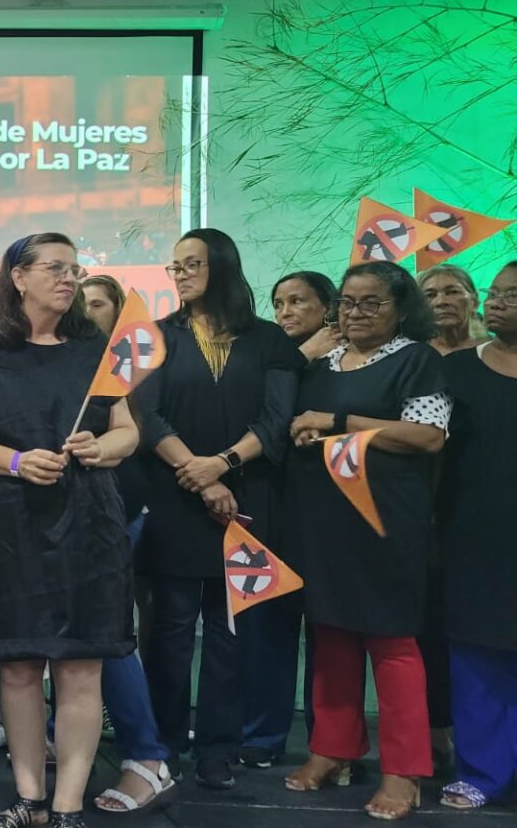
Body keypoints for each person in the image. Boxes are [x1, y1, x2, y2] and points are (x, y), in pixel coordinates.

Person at [0, 233, 139, 828]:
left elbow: (128, 430)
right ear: (18, 277)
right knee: (20, 666)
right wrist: (14, 461)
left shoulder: (95, 349)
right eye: (55, 267)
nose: (68, 278)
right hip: (7, 524)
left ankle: (69, 805)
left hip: (89, 524)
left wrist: (101, 447)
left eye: (74, 268)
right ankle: (28, 799)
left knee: (81, 666)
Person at [136, 229, 302, 788]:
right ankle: (161, 745)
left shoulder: (270, 341)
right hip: (176, 502)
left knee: (232, 635)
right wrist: (200, 475)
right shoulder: (159, 337)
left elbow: (276, 420)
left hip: (249, 502)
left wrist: (223, 464)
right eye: (174, 266)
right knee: (171, 631)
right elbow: (149, 419)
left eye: (191, 264)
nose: (178, 273)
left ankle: (217, 749)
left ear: (222, 266)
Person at [283, 261, 447, 820]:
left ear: (401, 308)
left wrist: (335, 418)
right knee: (330, 634)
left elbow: (426, 436)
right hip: (322, 520)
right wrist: (303, 424)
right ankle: (333, 750)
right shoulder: (320, 360)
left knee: (392, 644)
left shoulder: (414, 359)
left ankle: (404, 771)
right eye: (348, 303)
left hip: (385, 521)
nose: (355, 314)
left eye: (371, 303)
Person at [69, 275, 178, 814]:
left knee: (108, 637)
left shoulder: (129, 366)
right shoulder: (56, 355)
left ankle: (147, 758)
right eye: (76, 303)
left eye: (96, 304)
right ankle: (65, 738)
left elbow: (132, 434)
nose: (85, 313)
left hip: (118, 510)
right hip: (54, 517)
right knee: (67, 637)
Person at [438, 261, 517, 810]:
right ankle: (482, 772)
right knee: (478, 654)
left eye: (515, 293)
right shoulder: (455, 372)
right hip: (473, 535)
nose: (502, 301)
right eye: (497, 292)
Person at [414, 263, 480, 769]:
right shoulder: (413, 360)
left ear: (473, 298)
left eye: (453, 290)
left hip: (486, 503)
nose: (442, 299)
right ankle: (437, 731)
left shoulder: (494, 355)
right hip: (424, 505)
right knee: (432, 624)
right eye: (430, 292)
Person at [272, 271, 340, 361]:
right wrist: (305, 353)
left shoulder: (353, 351)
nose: (285, 313)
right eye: (278, 305)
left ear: (328, 306)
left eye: (296, 301)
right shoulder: (268, 357)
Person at [419, 264, 483, 356]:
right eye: (430, 295)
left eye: (453, 292)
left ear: (474, 302)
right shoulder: (413, 356)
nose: (441, 302)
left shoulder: (499, 350)